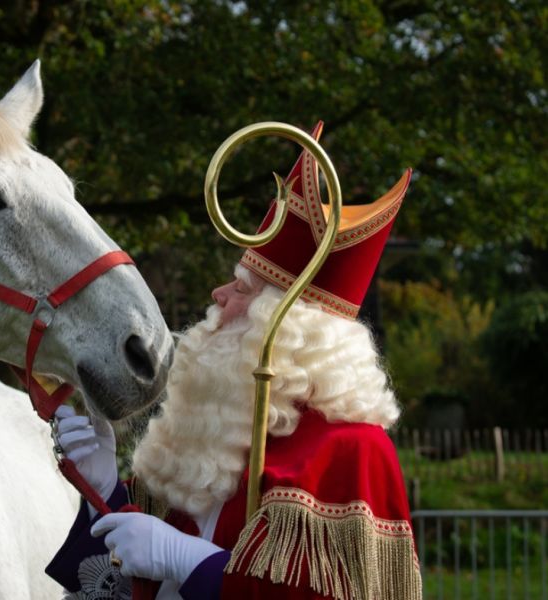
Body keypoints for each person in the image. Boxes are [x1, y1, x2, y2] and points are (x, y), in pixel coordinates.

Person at [46, 123, 422, 599]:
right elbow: (130, 580)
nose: (218, 295)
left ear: (286, 327)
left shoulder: (353, 450)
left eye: (241, 289)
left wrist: (196, 564)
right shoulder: (215, 430)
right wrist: (105, 493)